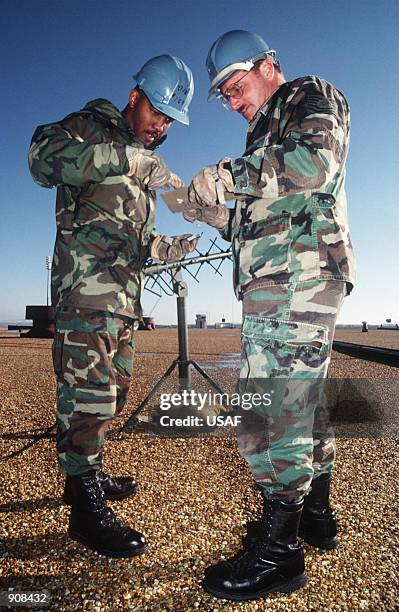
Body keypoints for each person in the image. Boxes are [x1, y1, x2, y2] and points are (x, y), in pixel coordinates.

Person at [183, 30, 355, 600]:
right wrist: (214, 214)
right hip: (283, 278)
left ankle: (281, 554)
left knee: (271, 413)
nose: (234, 104)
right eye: (225, 97)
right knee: (302, 403)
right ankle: (313, 518)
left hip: (296, 279)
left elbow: (317, 164)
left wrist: (230, 174)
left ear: (266, 65)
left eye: (236, 88)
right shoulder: (264, 138)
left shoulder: (308, 95)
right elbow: (256, 221)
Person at [28, 55, 196, 558]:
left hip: (123, 301)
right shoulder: (89, 126)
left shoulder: (144, 170)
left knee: (111, 395)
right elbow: (40, 158)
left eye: (170, 120)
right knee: (89, 395)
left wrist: (167, 248)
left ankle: (86, 475)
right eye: (158, 112)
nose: (161, 125)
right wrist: (123, 160)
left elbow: (137, 239)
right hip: (86, 294)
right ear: (134, 97)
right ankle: (83, 505)